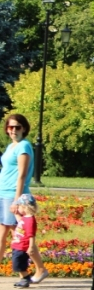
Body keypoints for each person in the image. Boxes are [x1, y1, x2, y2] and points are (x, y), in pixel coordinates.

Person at [1, 113, 34, 269]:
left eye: (17, 127)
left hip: (12, 194)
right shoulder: (11, 146)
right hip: (3, 192)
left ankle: (34, 269)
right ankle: (33, 270)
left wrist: (16, 200)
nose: (13, 130)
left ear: (24, 129)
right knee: (4, 235)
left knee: (19, 236)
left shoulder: (24, 146)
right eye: (10, 127)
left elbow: (22, 174)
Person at [9, 194, 44, 289]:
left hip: (22, 246)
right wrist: (16, 214)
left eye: (19, 206)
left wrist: (31, 246)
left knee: (18, 264)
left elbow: (31, 235)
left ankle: (25, 279)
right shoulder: (26, 218)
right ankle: (24, 279)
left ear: (24, 207)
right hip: (18, 245)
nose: (18, 208)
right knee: (17, 263)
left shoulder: (30, 220)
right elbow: (20, 222)